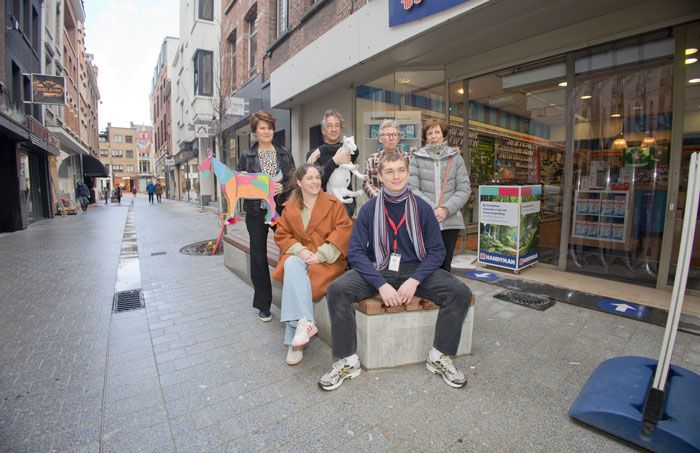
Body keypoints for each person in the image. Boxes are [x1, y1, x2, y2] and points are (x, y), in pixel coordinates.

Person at [319, 152, 472, 391]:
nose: (396, 176)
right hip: (379, 267)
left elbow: (436, 251)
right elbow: (356, 253)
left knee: (460, 292)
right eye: (389, 171)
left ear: (408, 174)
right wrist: (380, 284)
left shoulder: (423, 208)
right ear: (380, 176)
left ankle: (440, 356)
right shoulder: (369, 210)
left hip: (416, 269)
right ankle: (348, 360)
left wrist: (414, 281)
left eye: (401, 170)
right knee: (337, 290)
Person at [271, 164, 353, 365]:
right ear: (299, 182)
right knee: (291, 263)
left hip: (327, 260)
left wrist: (321, 254)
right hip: (302, 256)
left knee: (293, 278)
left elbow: (344, 230)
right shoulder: (290, 207)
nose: (315, 181)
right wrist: (299, 250)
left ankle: (294, 342)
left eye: (317, 177)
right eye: (309, 178)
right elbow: (282, 234)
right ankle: (305, 323)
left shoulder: (333, 204)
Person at [236, 110, 295, 322]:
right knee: (258, 257)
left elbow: (295, 178)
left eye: (269, 127)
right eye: (262, 127)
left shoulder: (284, 153)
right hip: (255, 212)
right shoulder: (247, 156)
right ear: (254, 132)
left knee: (288, 251)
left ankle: (292, 300)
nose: (267, 131)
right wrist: (253, 186)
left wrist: (284, 186)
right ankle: (263, 304)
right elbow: (239, 184)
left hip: (280, 211)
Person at [408, 118, 470, 272]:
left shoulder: (456, 158)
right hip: (425, 220)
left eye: (437, 132)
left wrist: (446, 210)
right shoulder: (416, 158)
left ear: (444, 135)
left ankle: (443, 295)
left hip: (450, 221)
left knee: (445, 265)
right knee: (424, 264)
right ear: (425, 136)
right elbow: (412, 188)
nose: (433, 136)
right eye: (430, 133)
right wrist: (434, 209)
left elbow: (464, 189)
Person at [306, 109, 359, 217]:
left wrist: (322, 150)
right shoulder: (312, 154)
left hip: (344, 204)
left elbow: (355, 150)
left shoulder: (347, 151)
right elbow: (319, 180)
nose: (334, 129)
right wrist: (334, 161)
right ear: (323, 130)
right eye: (329, 126)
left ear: (340, 129)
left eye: (337, 125)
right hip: (321, 206)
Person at [364, 119, 409, 198]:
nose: (391, 138)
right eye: (387, 135)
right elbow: (367, 183)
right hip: (379, 202)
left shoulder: (408, 158)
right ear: (380, 139)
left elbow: (412, 183)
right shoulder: (372, 159)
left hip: (403, 201)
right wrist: (380, 199)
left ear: (398, 139)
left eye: (394, 135)